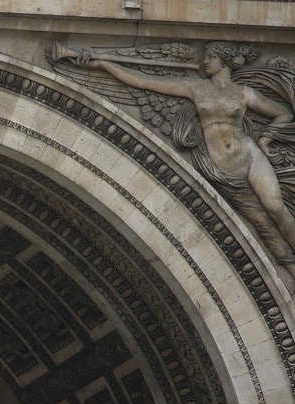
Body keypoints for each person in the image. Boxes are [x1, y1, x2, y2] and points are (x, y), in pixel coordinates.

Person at [77, 42, 295, 281]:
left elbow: (282, 113)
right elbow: (143, 81)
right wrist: (105, 64)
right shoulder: (196, 88)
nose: (204, 62)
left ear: (224, 61)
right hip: (221, 168)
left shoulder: (244, 92)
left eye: (210, 57)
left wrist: (265, 139)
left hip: (251, 154)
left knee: (277, 208)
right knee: (262, 222)